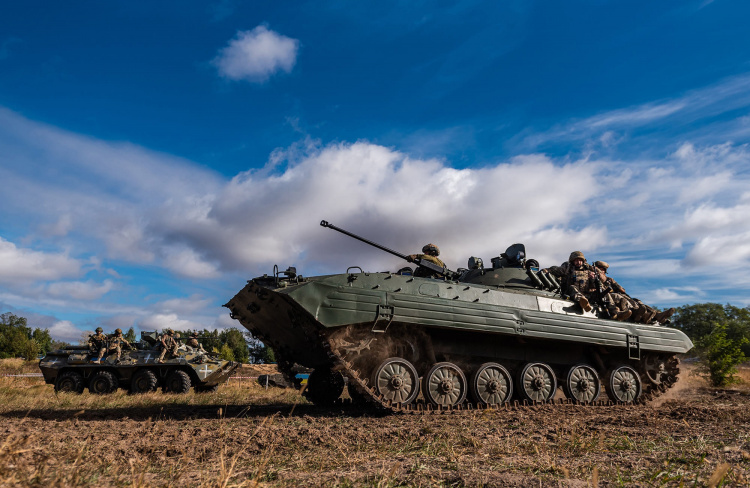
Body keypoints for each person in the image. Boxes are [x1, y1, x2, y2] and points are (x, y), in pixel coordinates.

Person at [592, 261, 675, 324]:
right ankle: (635, 313)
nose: (601, 271)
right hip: (606, 297)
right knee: (619, 297)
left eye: (603, 270)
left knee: (636, 301)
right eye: (600, 269)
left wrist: (611, 282)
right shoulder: (593, 277)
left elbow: (622, 290)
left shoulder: (609, 279)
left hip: (617, 296)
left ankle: (656, 315)